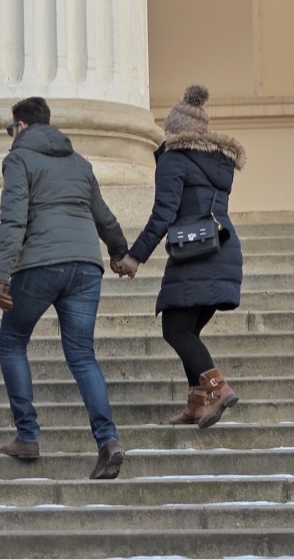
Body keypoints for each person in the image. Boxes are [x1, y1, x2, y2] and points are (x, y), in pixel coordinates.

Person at [0, 96, 130, 480]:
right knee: (83, 355)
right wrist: (119, 252)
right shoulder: (79, 162)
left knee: (12, 342)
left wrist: (0, 274)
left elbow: (14, 219)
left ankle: (28, 435)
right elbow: (103, 214)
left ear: (20, 127)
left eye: (10, 129)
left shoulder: (18, 160)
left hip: (41, 263)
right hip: (86, 265)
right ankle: (108, 440)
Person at [114, 85, 246, 429]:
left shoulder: (174, 159)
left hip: (196, 253)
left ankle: (217, 388)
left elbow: (163, 214)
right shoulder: (218, 162)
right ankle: (197, 403)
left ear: (171, 129)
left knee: (175, 329)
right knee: (186, 329)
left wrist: (134, 257)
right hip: (222, 248)